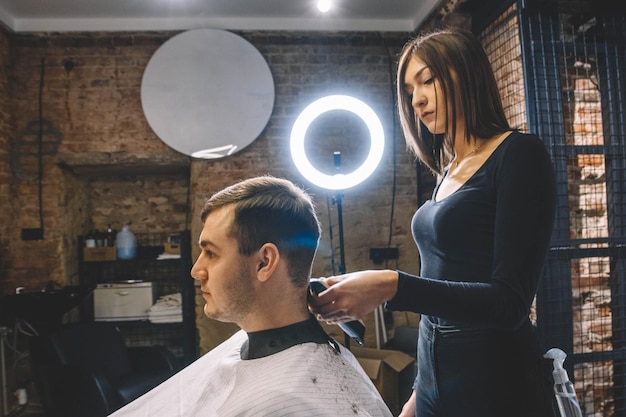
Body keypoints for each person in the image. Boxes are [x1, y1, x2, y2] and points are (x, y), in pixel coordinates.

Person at [309, 29, 557, 417]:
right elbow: (440, 289)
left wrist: (391, 285)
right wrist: (419, 390)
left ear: (467, 75)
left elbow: (509, 302)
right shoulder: (446, 171)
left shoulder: (520, 156)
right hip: (434, 383)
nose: (418, 99)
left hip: (496, 383)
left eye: (428, 80)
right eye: (409, 90)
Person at [109, 176, 392, 417]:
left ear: (264, 262)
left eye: (211, 253)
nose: (197, 270)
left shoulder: (302, 399)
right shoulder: (247, 344)